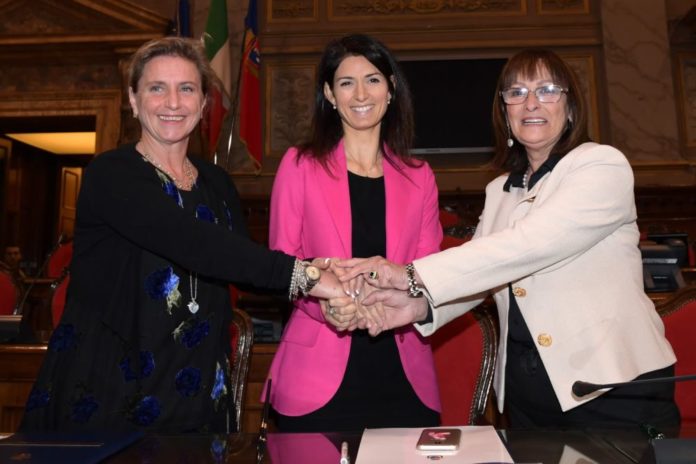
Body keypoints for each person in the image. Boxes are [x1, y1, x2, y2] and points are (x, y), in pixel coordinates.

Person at [337, 49, 680, 429]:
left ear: (570, 108)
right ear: (505, 112)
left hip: (612, 389)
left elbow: (530, 244)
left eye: (547, 90)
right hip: (527, 394)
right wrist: (416, 308)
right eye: (516, 92)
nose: (530, 102)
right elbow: (483, 277)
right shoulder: (500, 190)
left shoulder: (601, 166)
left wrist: (409, 274)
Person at [19, 37, 343, 434]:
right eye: (157, 88)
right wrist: (308, 275)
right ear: (134, 100)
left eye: (186, 88)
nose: (173, 103)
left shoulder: (217, 183)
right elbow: (192, 241)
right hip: (111, 392)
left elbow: (243, 265)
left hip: (199, 392)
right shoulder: (112, 174)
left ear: (204, 103)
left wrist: (327, 278)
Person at [263, 34, 442, 432]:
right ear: (330, 94)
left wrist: (393, 295)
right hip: (315, 375)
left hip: (403, 374)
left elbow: (430, 274)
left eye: (373, 79)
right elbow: (280, 266)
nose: (361, 94)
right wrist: (327, 306)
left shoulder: (420, 177)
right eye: (346, 82)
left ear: (390, 89)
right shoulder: (299, 165)